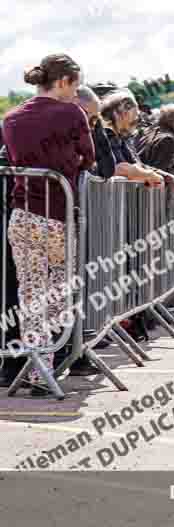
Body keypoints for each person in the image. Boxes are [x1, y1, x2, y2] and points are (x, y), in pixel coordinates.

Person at [2, 54, 95, 395]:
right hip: (58, 213)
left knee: (30, 297)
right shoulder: (72, 113)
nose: (76, 92)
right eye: (75, 84)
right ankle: (48, 369)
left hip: (22, 213)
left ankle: (36, 368)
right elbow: (90, 157)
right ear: (64, 81)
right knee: (57, 294)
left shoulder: (12, 118)